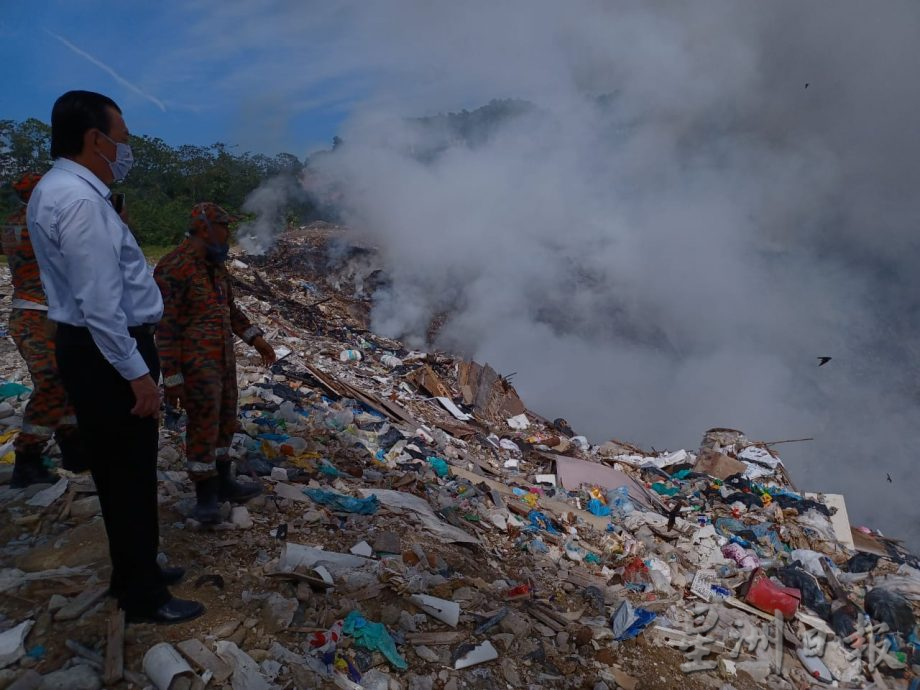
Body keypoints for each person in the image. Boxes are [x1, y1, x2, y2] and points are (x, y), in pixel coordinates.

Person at [27, 90, 202, 624]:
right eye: (121, 140)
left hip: (94, 348)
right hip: (109, 351)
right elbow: (100, 307)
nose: (125, 150)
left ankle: (135, 570)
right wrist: (139, 377)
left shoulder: (60, 190)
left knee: (122, 472)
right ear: (95, 139)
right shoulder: (79, 201)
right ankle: (143, 596)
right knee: (127, 474)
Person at [155, 202, 275, 524]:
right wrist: (173, 377)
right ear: (207, 228)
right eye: (225, 227)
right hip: (196, 365)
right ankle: (205, 496)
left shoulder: (216, 267)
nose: (229, 233)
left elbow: (231, 311)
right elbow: (165, 327)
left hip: (223, 360)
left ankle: (224, 482)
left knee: (224, 422)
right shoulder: (173, 267)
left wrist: (257, 339)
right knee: (203, 427)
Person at [2, 172, 87, 487]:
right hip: (37, 316)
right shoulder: (38, 222)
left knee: (67, 382)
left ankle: (74, 450)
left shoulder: (16, 222)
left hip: (41, 314)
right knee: (52, 383)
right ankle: (27, 458)